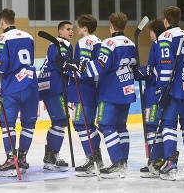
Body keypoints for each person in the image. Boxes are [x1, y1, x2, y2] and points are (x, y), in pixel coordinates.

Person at [56, 12, 137, 179]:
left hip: (100, 90)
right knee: (119, 127)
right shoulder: (130, 43)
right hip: (125, 90)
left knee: (88, 124)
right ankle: (121, 162)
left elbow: (94, 67)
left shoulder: (95, 42)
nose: (76, 30)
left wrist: (71, 66)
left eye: (78, 27)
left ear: (111, 26)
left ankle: (98, 160)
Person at [133, 6, 184, 181]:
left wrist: (162, 89)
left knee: (168, 126)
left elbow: (166, 65)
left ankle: (170, 163)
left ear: (165, 21)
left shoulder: (165, 38)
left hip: (173, 90)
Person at [0, 8, 38, 177]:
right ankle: (21, 158)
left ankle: (10, 158)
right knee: (29, 124)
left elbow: (1, 66)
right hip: (31, 84)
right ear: (14, 19)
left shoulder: (2, 38)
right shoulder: (28, 36)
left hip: (13, 86)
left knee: (7, 123)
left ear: (2, 22)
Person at [69, 14, 104, 177]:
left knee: (81, 124)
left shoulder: (84, 42)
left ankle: (93, 159)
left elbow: (80, 68)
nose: (77, 28)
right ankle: (97, 158)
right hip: (95, 89)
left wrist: (67, 66)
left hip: (83, 89)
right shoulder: (99, 42)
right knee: (88, 125)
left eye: (79, 26)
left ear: (84, 28)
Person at [37, 21, 73, 172]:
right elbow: (62, 65)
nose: (71, 31)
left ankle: (50, 156)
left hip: (48, 85)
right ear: (60, 32)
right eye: (68, 29)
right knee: (60, 120)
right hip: (54, 86)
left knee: (59, 121)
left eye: (72, 29)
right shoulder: (62, 44)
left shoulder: (57, 44)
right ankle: (51, 158)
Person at [138, 19, 166, 178]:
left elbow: (158, 69)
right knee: (156, 127)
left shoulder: (157, 45)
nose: (149, 33)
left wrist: (146, 71)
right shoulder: (161, 45)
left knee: (152, 127)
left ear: (155, 30)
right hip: (153, 92)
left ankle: (156, 161)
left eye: (150, 30)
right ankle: (156, 160)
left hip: (154, 94)